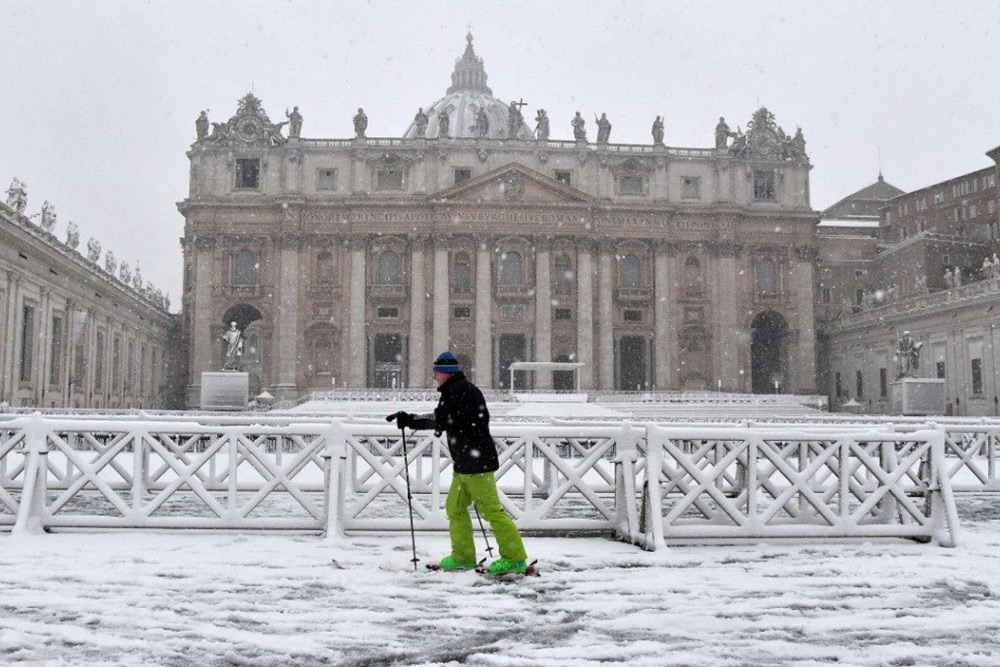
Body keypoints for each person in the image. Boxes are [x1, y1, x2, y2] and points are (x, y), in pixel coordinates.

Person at [390, 351, 528, 575]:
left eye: (436, 371)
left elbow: (442, 419)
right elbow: (445, 418)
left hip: (476, 463)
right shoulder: (455, 389)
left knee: (492, 511)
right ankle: (463, 556)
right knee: (455, 508)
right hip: (466, 462)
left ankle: (515, 558)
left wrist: (411, 420)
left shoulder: (458, 391)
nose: (434, 376)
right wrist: (412, 418)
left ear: (446, 373)